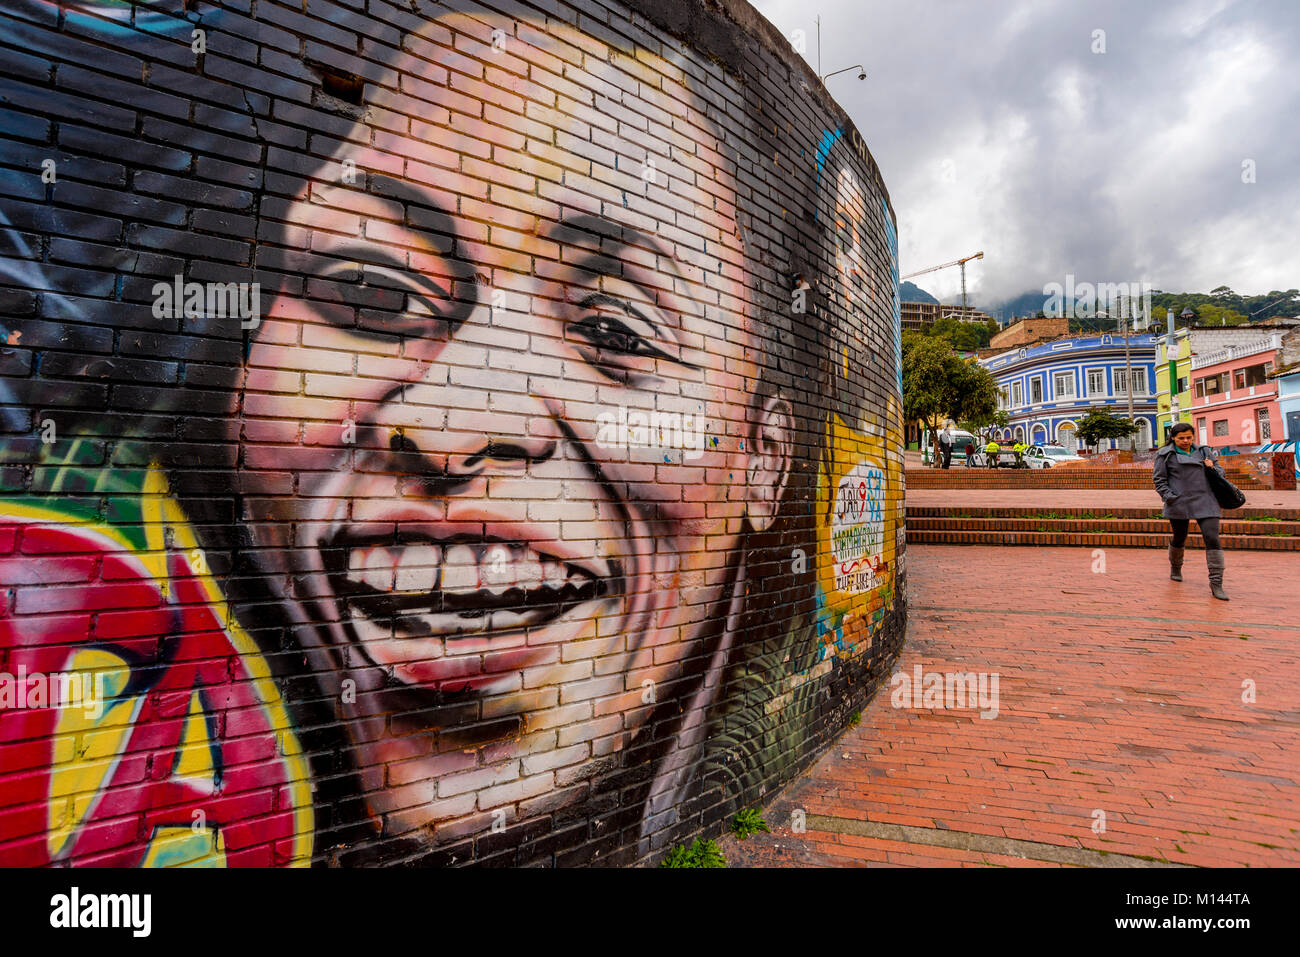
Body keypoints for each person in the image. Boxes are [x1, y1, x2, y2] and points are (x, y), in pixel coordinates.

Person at [1152, 422, 1228, 600]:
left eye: (1189, 437)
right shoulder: (1165, 454)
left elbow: (1220, 472)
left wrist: (1212, 467)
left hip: (1206, 500)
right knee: (1179, 537)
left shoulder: (1203, 451)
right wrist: (1170, 497)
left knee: (1212, 538)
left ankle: (1217, 584)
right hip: (1180, 502)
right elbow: (1159, 479)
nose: (1185, 441)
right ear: (1173, 438)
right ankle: (1176, 567)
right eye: (1181, 438)